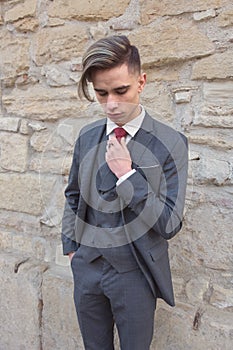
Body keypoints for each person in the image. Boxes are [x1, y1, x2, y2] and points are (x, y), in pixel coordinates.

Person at [61, 35, 188, 350]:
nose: (112, 104)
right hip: (87, 268)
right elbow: (73, 195)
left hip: (135, 274)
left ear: (141, 82)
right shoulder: (87, 136)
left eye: (121, 91)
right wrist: (72, 248)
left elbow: (170, 224)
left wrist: (127, 175)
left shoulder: (171, 143)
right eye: (101, 94)